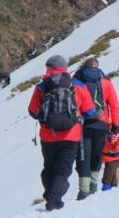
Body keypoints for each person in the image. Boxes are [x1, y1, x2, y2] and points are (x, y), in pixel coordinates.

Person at [28, 55, 95, 212]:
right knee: (62, 172)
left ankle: (52, 196)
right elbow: (90, 110)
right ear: (64, 67)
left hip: (48, 136)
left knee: (48, 169)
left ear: (50, 68)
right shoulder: (77, 85)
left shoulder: (41, 87)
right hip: (71, 136)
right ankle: (54, 200)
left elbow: (32, 111)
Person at [72, 58, 119, 200]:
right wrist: (116, 127)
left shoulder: (77, 82)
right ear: (98, 67)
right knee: (97, 155)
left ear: (84, 67)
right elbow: (114, 105)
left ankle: (83, 190)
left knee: (83, 156)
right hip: (102, 124)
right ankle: (93, 185)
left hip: (83, 124)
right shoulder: (106, 82)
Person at [102, 127, 119, 191]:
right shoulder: (106, 129)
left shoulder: (117, 131)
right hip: (109, 157)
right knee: (112, 174)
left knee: (108, 175)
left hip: (114, 157)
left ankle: (106, 189)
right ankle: (113, 190)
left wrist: (113, 151)